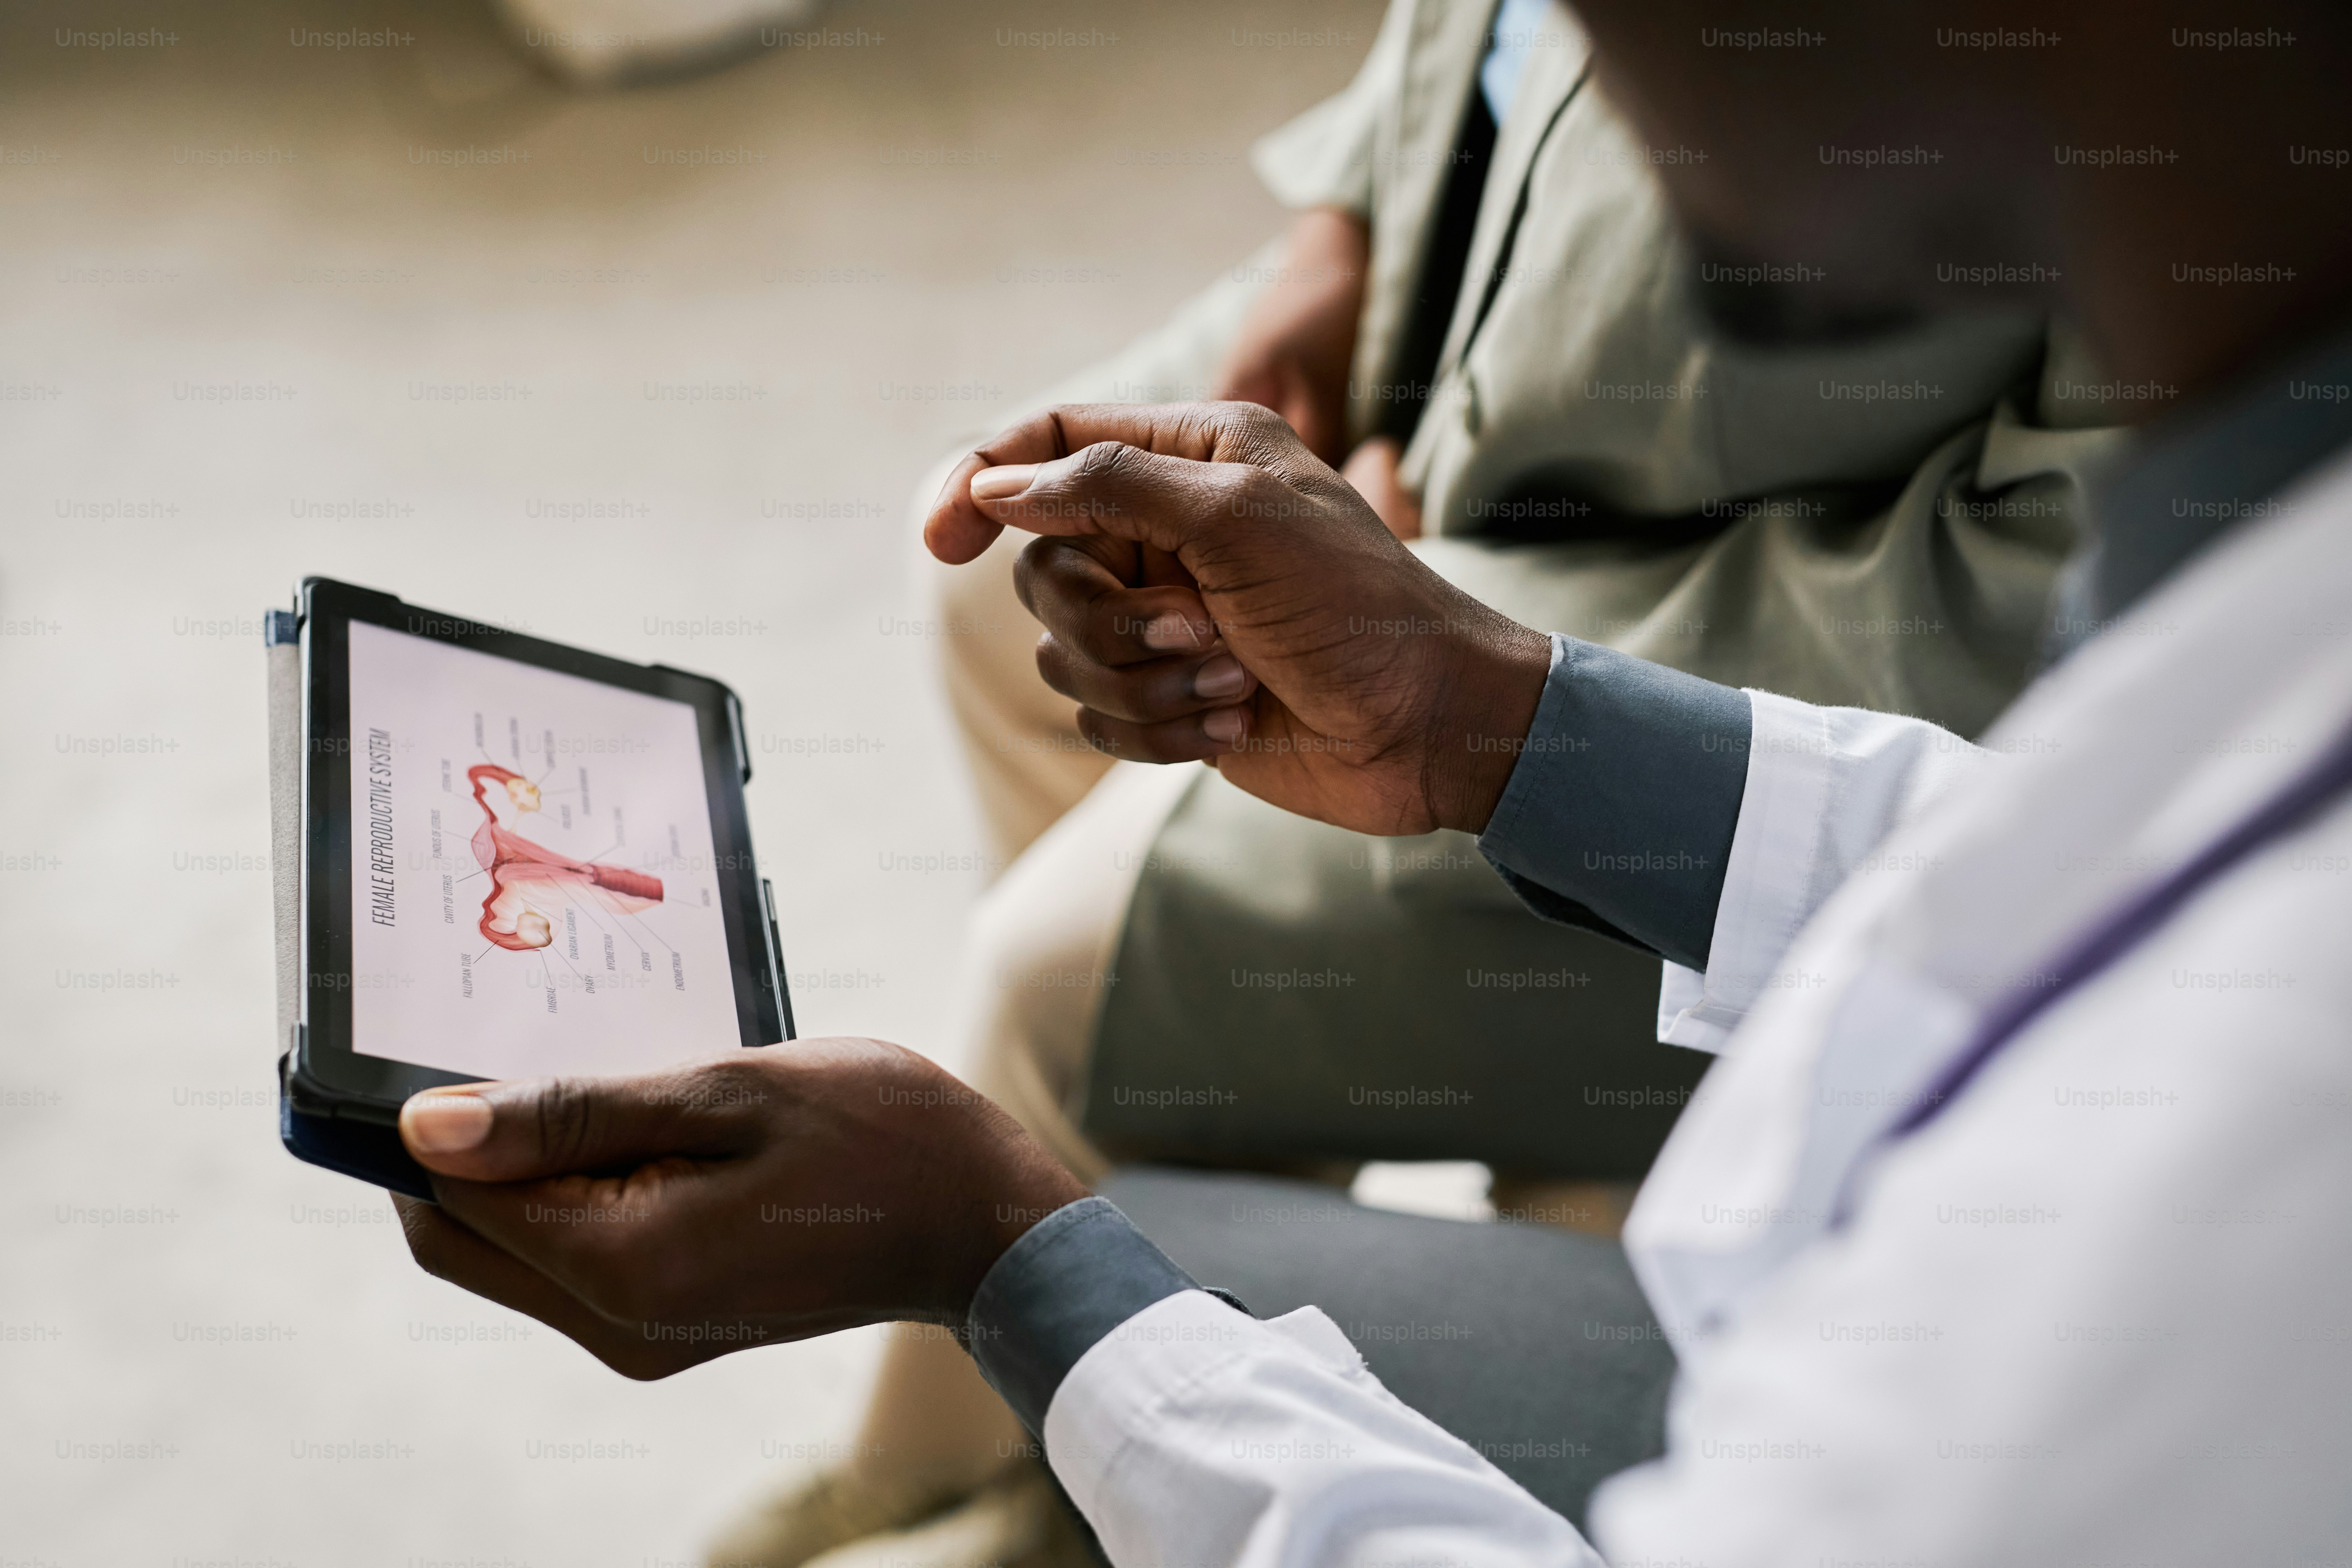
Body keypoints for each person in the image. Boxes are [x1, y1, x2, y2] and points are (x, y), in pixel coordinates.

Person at [391, 0, 2352, 1563]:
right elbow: (2025, 851)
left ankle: (1010, 1465)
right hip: (1503, 446)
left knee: (1093, 1058)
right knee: (1021, 607)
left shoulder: (2197, 1222)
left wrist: (1012, 1264)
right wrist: (1488, 714)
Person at [771, 0, 2121, 1549]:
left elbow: (2022, 624)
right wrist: (1351, 216)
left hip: (1742, 582)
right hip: (1461, 259)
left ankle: (996, 1466)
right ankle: (1157, 1336)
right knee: (998, 590)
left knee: (1058, 985)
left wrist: (1457, 628)